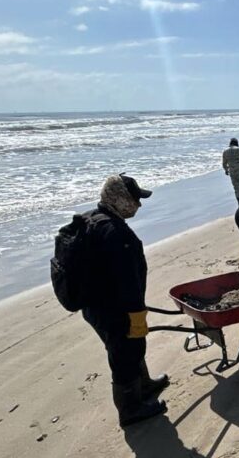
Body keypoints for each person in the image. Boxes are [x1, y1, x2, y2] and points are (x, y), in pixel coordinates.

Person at [80, 174, 168, 427]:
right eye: (134, 199)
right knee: (124, 354)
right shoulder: (115, 233)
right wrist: (136, 315)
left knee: (132, 348)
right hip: (115, 308)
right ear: (119, 198)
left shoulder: (91, 219)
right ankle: (130, 409)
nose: (138, 205)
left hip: (96, 305)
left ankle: (144, 385)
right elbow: (128, 281)